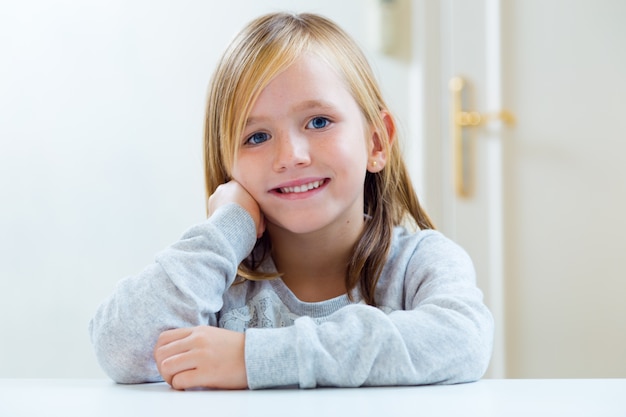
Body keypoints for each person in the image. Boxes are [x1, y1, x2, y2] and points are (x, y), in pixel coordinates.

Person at [89, 12, 494, 390]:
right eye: (257, 137)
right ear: (228, 164)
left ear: (376, 141)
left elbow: (462, 340)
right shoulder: (217, 278)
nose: (291, 156)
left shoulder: (419, 264)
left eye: (318, 122)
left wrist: (253, 360)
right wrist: (226, 231)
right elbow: (120, 349)